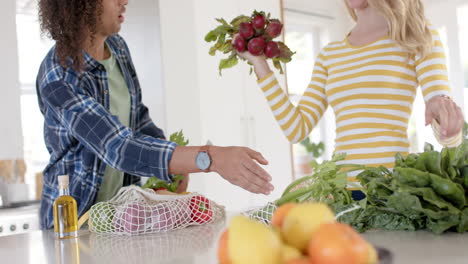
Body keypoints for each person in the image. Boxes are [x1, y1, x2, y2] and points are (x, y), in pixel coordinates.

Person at [36, 0, 273, 229]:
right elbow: (119, 148)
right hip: (73, 224)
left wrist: (177, 165)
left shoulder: (117, 48)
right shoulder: (59, 74)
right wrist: (209, 158)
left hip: (119, 220)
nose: (124, 1)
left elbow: (138, 120)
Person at [239, 0, 464, 199]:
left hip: (391, 192)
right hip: (340, 193)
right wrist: (260, 65)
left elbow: (440, 111)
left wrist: (450, 130)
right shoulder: (330, 55)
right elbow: (295, 128)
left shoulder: (415, 35)